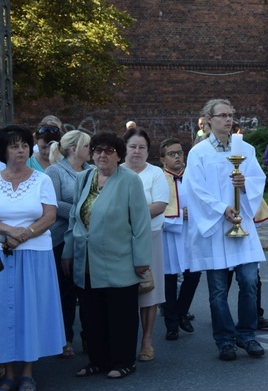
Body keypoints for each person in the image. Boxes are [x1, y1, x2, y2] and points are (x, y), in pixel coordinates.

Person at [62, 132, 151, 379]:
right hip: (86, 259)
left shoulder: (130, 181)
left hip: (119, 258)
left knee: (120, 314)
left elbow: (141, 223)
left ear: (119, 156)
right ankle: (98, 361)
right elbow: (74, 219)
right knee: (91, 315)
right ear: (91, 154)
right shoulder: (84, 178)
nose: (102, 155)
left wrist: (141, 259)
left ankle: (123, 361)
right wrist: (68, 252)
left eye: (109, 151)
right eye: (98, 150)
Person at [183, 99, 267, 361]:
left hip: (242, 225)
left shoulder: (246, 149)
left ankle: (247, 335)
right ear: (208, 119)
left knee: (250, 282)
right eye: (222, 116)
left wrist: (245, 185)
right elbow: (194, 189)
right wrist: (222, 208)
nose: (228, 120)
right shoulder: (198, 153)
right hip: (216, 226)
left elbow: (258, 179)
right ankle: (225, 340)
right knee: (218, 290)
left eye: (231, 115)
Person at [0, 125, 65, 391]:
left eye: (25, 146)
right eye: (14, 146)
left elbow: (49, 216)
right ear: (4, 150)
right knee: (4, 314)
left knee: (30, 313)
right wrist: (7, 230)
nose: (21, 150)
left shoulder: (42, 180)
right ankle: (8, 372)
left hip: (34, 255)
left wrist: (24, 234)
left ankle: (27, 372)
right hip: (3, 257)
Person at [122, 128, 169, 363]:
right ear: (124, 149)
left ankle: (147, 341)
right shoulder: (116, 172)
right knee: (122, 292)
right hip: (119, 240)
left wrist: (130, 219)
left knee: (149, 291)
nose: (137, 151)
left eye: (142, 147)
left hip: (149, 237)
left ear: (148, 151)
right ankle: (123, 341)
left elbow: (160, 204)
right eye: (133, 146)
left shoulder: (155, 173)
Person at [45, 130, 92, 358]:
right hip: (61, 239)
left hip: (89, 239)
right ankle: (65, 338)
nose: (91, 151)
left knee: (88, 290)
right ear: (74, 149)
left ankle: (89, 335)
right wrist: (82, 212)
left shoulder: (93, 171)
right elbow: (54, 203)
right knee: (66, 292)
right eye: (87, 146)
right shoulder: (53, 171)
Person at [159, 138, 202, 341]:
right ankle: (172, 324)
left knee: (193, 275)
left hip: (190, 234)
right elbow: (155, 209)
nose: (177, 157)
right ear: (162, 159)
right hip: (168, 235)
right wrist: (177, 216)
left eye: (180, 153)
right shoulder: (159, 180)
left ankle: (181, 312)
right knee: (168, 280)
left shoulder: (192, 177)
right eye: (172, 154)